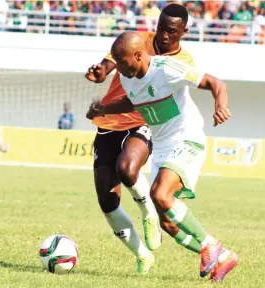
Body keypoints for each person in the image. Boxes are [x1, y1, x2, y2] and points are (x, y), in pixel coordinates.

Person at [87, 31, 239, 282]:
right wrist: (104, 108)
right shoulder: (127, 77)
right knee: (168, 224)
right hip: (163, 147)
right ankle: (222, 255)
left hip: (186, 138)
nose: (118, 69)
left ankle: (210, 244)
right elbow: (132, 103)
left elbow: (215, 83)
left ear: (138, 55)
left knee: (159, 194)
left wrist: (221, 105)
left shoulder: (167, 68)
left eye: (121, 62)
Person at [85, 3, 198, 275]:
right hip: (109, 122)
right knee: (106, 200)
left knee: (127, 167)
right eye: (161, 28)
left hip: (145, 121)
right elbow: (110, 60)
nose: (164, 35)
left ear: (183, 31)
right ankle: (142, 254)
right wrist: (102, 70)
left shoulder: (184, 62)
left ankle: (148, 211)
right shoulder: (137, 41)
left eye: (171, 31)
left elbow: (175, 100)